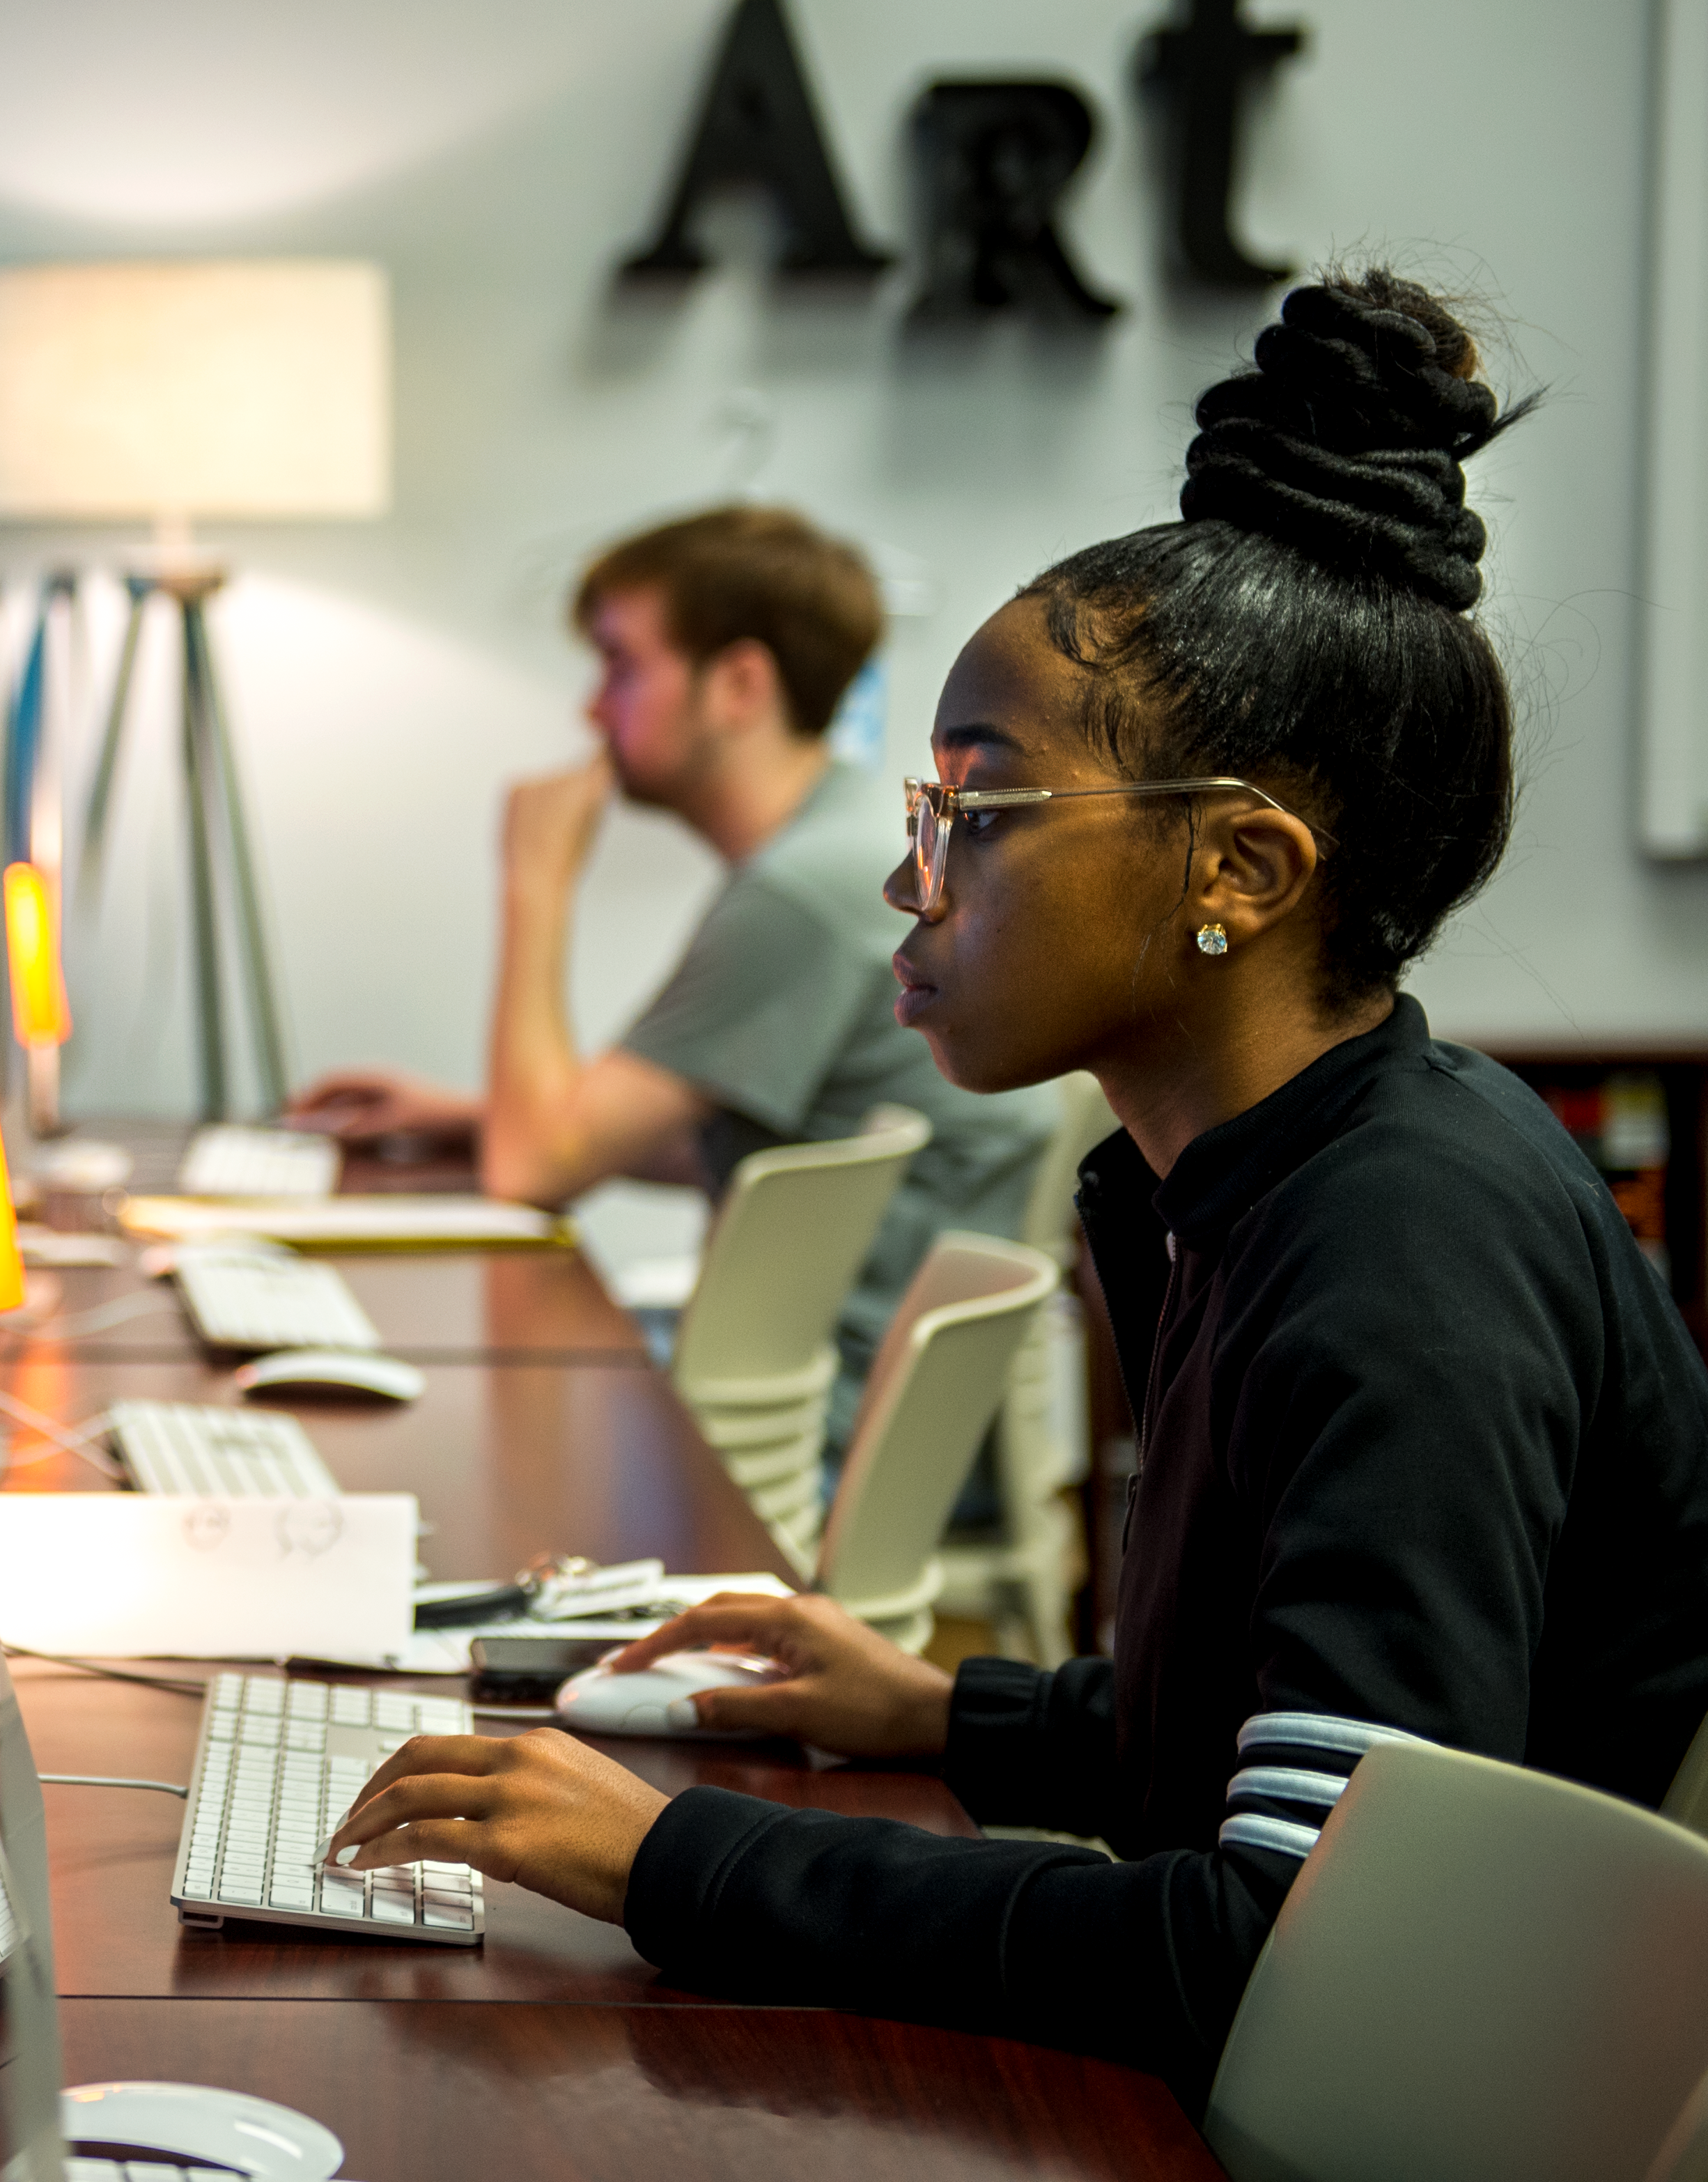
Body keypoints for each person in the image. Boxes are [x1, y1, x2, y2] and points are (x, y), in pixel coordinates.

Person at [318, 272, 1708, 2104]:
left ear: (1240, 865)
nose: (913, 887)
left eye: (978, 811)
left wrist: (678, 1861)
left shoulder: (1400, 1260)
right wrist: (937, 1711)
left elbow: (1283, 1951)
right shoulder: (1251, 1180)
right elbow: (1280, 1742)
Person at [290, 506, 1055, 1414]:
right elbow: (762, 1145)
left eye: (620, 664)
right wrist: (475, 1115)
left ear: (737, 684)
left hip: (823, 1426)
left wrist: (536, 884)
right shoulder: (842, 841)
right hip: (884, 1409)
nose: (590, 706)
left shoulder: (800, 892)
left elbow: (535, 1171)